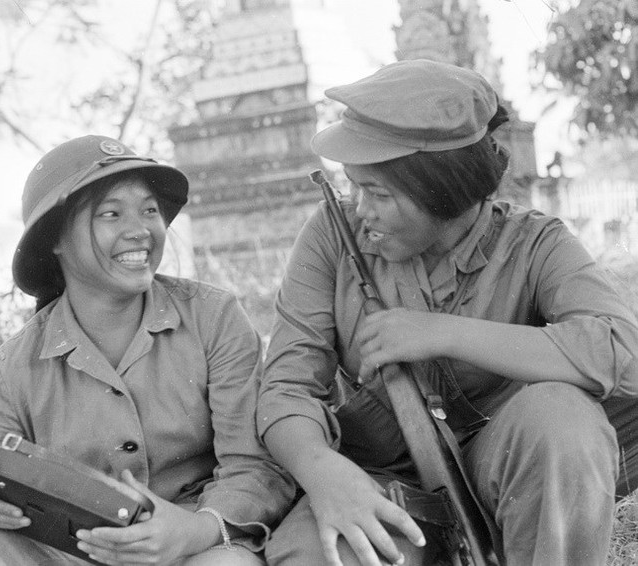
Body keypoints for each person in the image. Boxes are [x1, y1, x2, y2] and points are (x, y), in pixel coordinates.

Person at [256, 59, 638, 566]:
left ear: (441, 190)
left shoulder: (537, 243)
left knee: (563, 422)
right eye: (353, 186)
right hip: (383, 481)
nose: (360, 209)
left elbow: (621, 350)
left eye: (378, 193)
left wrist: (443, 333)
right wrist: (323, 471)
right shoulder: (333, 233)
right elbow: (286, 386)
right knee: (313, 554)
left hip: (514, 471)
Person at [0, 135, 295, 565]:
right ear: (56, 239)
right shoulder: (14, 366)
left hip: (192, 545)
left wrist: (194, 531)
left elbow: (255, 466)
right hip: (73, 553)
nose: (139, 230)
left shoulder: (214, 318)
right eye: (110, 213)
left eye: (149, 210)